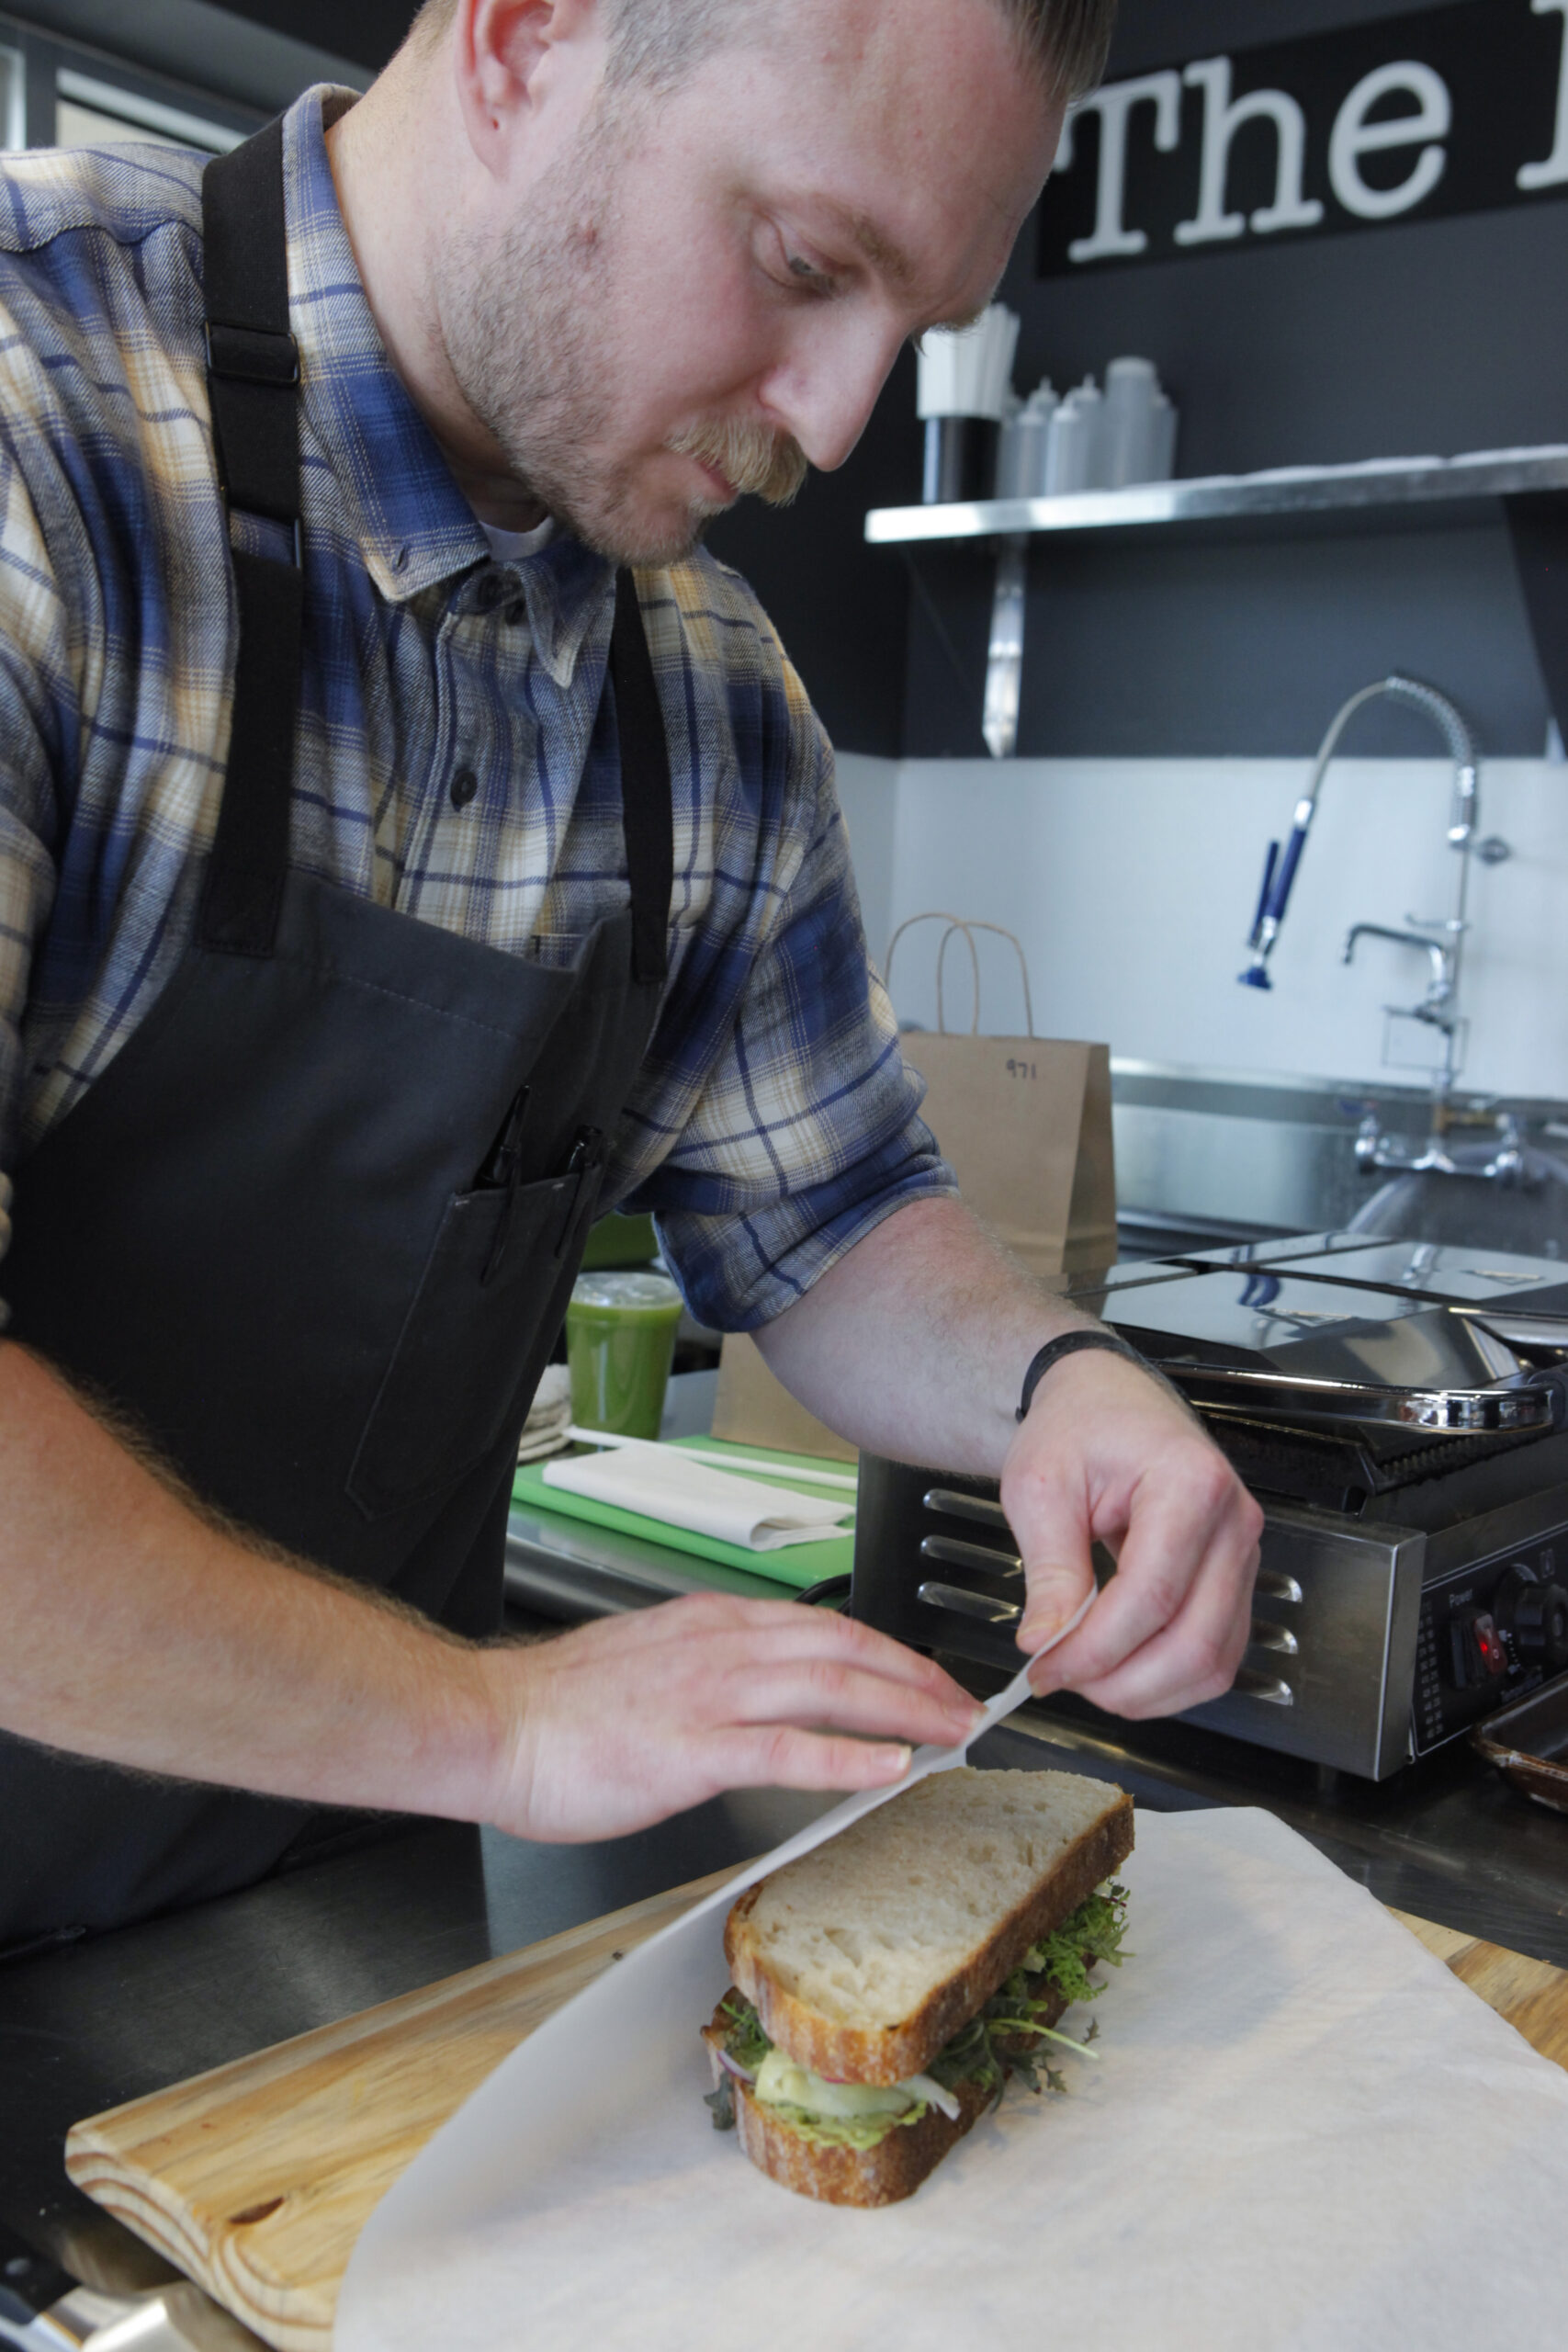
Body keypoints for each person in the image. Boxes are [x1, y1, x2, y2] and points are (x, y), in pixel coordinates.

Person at [0, 0, 1262, 1949]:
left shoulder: (707, 702)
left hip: (316, 1944)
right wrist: (495, 1726)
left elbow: (828, 1215)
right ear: (520, 42)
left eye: (905, 330)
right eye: (803, 264)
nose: (839, 423)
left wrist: (1055, 1384)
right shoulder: (41, 431)